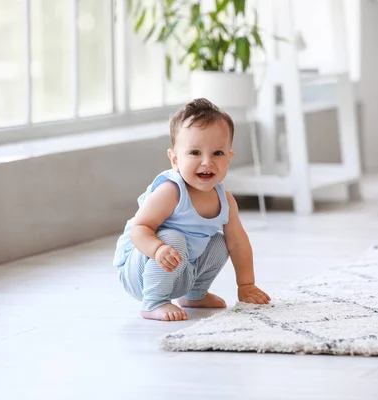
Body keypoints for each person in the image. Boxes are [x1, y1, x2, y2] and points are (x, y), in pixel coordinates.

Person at [113, 98, 271, 321]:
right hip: (140, 271)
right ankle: (153, 303)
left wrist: (247, 285)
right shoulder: (171, 191)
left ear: (229, 158)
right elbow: (139, 229)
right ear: (175, 160)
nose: (207, 162)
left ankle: (194, 294)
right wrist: (157, 249)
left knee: (220, 242)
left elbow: (239, 243)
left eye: (217, 153)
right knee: (173, 238)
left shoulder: (224, 199)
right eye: (195, 153)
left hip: (180, 271)